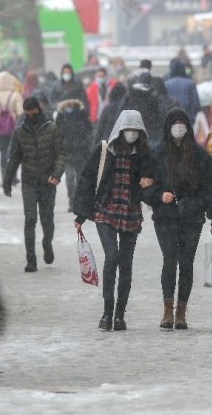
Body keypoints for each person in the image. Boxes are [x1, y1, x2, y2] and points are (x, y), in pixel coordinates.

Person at [143, 108, 212, 330]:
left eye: (182, 123)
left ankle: (181, 311)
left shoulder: (199, 155)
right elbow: (143, 185)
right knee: (170, 259)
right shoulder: (156, 153)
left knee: (186, 262)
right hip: (165, 216)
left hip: (192, 216)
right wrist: (159, 194)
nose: (178, 127)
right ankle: (167, 310)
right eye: (175, 123)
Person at [73, 111, 154, 332]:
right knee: (112, 257)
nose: (131, 134)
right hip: (106, 211)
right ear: (119, 129)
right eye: (128, 129)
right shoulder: (103, 150)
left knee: (126, 263)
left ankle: (119, 314)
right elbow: (88, 179)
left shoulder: (144, 154)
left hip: (130, 213)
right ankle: (107, 312)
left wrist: (149, 184)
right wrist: (81, 214)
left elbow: (154, 185)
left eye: (136, 130)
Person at [3, 97, 66, 272]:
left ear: (39, 109)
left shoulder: (52, 129)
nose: (31, 117)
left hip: (48, 182)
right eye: (27, 114)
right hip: (29, 182)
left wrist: (57, 174)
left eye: (33, 113)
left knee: (47, 220)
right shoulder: (20, 132)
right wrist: (7, 182)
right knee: (30, 219)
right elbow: (14, 158)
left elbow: (61, 154)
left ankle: (47, 243)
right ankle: (31, 260)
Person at [55, 98, 93, 213]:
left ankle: (80, 202)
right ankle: (72, 202)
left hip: (81, 152)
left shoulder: (82, 113)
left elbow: (89, 130)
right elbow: (56, 133)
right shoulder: (60, 115)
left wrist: (85, 142)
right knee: (70, 180)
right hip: (67, 152)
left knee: (80, 180)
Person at [0, 71, 24, 182]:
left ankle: (4, 177)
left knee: (3, 152)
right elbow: (21, 113)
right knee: (13, 153)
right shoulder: (16, 95)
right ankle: (13, 177)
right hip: (13, 129)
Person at [120, 70, 164, 143]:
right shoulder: (153, 94)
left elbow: (122, 111)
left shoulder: (130, 93)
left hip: (132, 128)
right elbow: (158, 114)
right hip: (150, 130)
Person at [165, 58, 200, 124]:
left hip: (171, 117)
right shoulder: (190, 83)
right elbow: (196, 103)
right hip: (187, 117)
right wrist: (193, 116)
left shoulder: (166, 84)